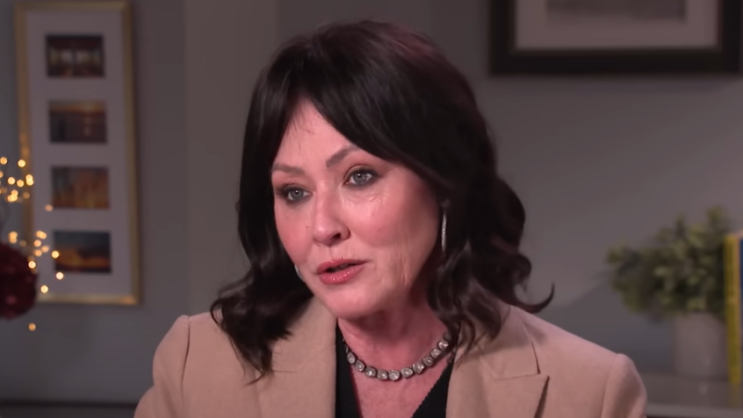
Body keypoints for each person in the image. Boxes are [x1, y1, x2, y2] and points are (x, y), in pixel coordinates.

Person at [134, 20, 647, 418]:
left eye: (359, 177)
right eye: (294, 192)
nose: (322, 227)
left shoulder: (591, 394)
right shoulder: (196, 365)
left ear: (444, 183)